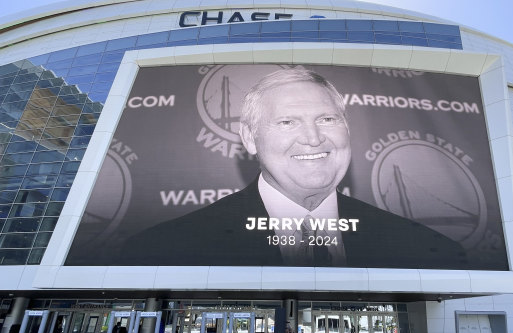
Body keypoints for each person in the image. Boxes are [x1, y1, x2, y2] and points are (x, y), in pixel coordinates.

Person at [119, 68, 468, 269]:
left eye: (327, 119)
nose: (313, 138)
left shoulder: (428, 250)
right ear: (250, 138)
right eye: (287, 122)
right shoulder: (162, 249)